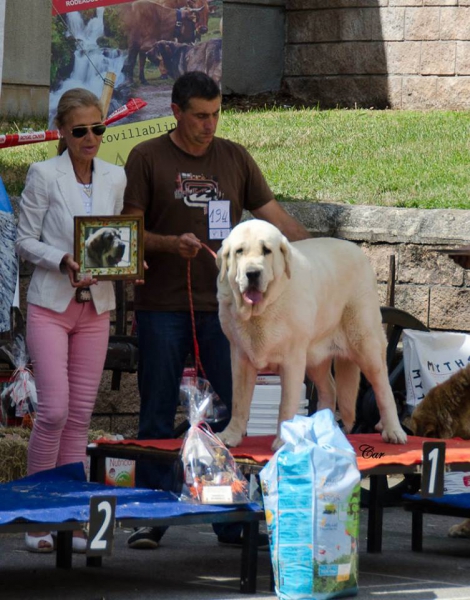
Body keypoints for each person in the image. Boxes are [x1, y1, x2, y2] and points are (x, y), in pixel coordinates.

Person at [122, 71, 311, 550]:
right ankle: (152, 514)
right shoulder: (146, 157)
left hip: (229, 311)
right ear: (177, 112)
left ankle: (230, 519)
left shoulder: (234, 157)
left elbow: (275, 217)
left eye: (216, 115)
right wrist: (169, 243)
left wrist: (323, 251)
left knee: (233, 413)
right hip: (163, 305)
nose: (209, 125)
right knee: (157, 413)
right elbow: (127, 232)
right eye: (200, 117)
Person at [15, 88, 126, 553]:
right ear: (62, 131)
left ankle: (74, 517)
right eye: (80, 130)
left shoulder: (115, 177)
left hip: (96, 306)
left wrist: (124, 260)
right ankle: (36, 517)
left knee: (80, 416)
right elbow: (23, 240)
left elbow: (116, 239)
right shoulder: (43, 174)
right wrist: (62, 259)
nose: (90, 137)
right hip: (51, 305)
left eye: (98, 128)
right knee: (55, 411)